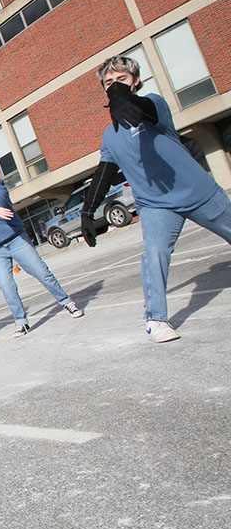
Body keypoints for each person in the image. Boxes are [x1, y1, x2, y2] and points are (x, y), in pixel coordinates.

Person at [80, 55, 231, 342]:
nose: (114, 88)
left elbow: (145, 110)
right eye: (108, 83)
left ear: (135, 81)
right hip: (156, 205)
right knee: (155, 255)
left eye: (121, 80)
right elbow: (104, 172)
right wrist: (87, 212)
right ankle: (156, 320)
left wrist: (127, 99)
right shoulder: (110, 135)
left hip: (198, 192)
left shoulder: (154, 104)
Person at [0, 158, 84, 339]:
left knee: (42, 272)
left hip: (16, 240)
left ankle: (66, 301)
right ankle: (21, 321)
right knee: (6, 286)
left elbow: (0, 200)